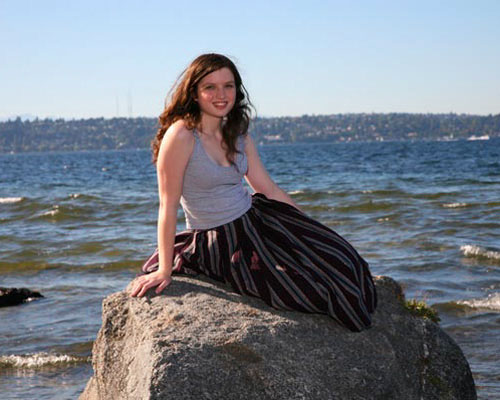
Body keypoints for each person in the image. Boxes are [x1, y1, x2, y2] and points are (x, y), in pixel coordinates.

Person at [129, 53, 377, 332]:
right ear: (194, 93)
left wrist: (310, 228)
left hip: (256, 220)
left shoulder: (238, 133)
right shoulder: (182, 136)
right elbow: (167, 206)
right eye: (210, 87)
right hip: (219, 241)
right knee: (301, 288)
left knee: (340, 257)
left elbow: (267, 188)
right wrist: (164, 270)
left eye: (229, 86)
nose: (221, 95)